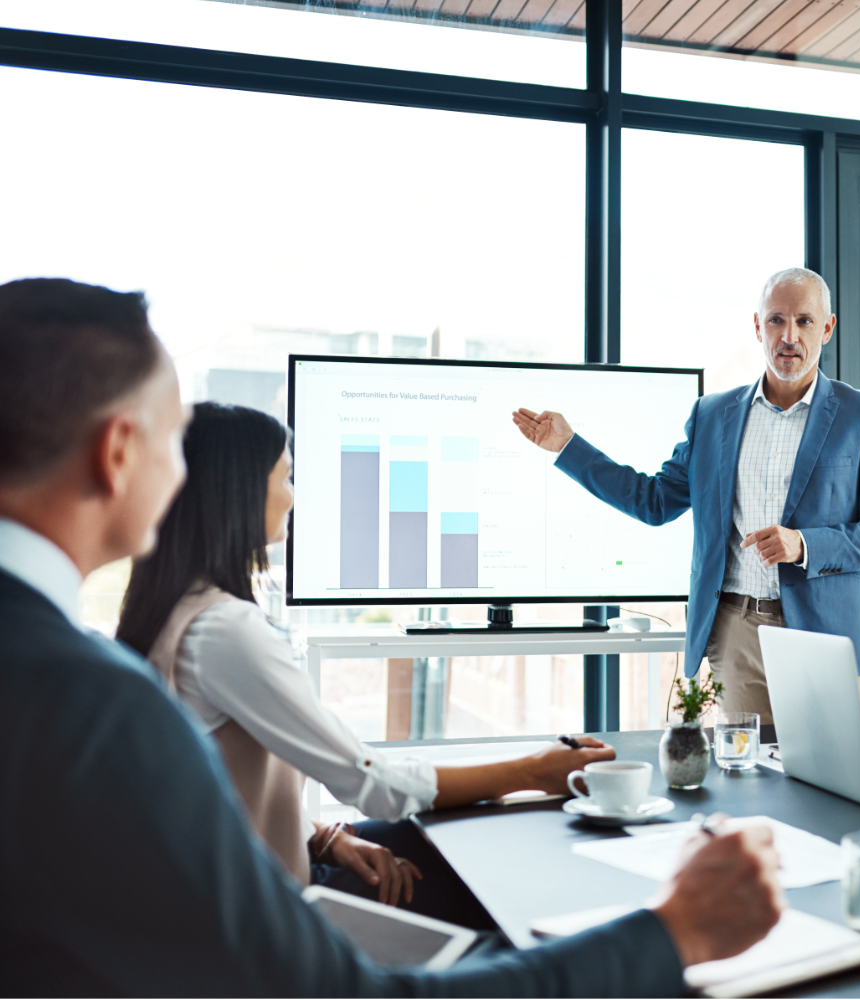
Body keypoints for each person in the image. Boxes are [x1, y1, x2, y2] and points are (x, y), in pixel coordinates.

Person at [0, 277, 783, 999]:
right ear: (116, 453)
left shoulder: (90, 665)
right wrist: (671, 932)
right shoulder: (102, 699)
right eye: (172, 441)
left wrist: (326, 835)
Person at [116, 401, 615, 921]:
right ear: (237, 491)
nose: (292, 496)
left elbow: (212, 789)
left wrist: (321, 837)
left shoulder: (173, 611)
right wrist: (537, 769)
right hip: (258, 915)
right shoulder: (224, 632)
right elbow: (377, 785)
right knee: (502, 864)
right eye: (285, 477)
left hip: (229, 880)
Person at [513, 267, 860, 724]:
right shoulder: (712, 415)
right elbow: (655, 501)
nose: (789, 335)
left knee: (833, 787)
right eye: (776, 320)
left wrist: (805, 544)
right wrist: (569, 446)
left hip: (826, 634)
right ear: (758, 326)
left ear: (826, 328)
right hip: (736, 631)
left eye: (804, 321)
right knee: (754, 784)